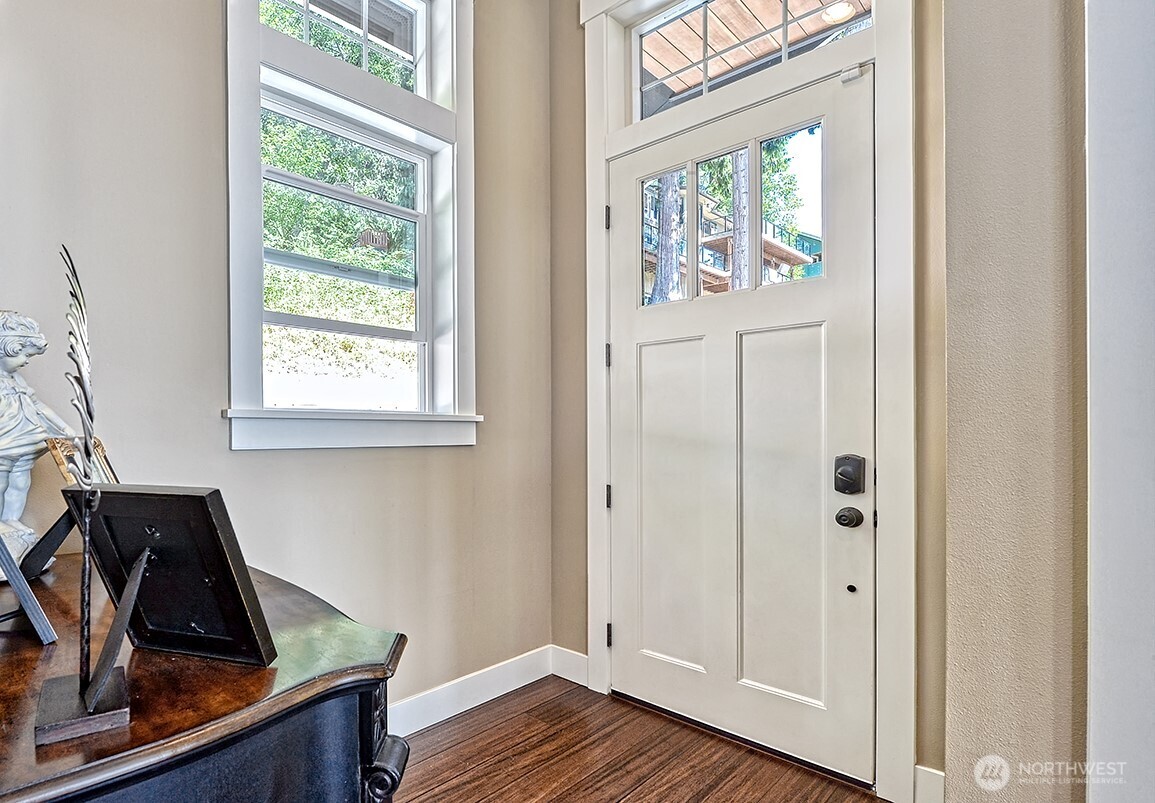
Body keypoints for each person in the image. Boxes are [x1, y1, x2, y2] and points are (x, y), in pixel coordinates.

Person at [0, 310, 74, 567]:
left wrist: (63, 427)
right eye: (23, 355)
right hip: (4, 441)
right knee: (1, 481)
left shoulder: (16, 380)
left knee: (21, 480)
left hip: (24, 438)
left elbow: (38, 406)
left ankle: (10, 519)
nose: (26, 361)